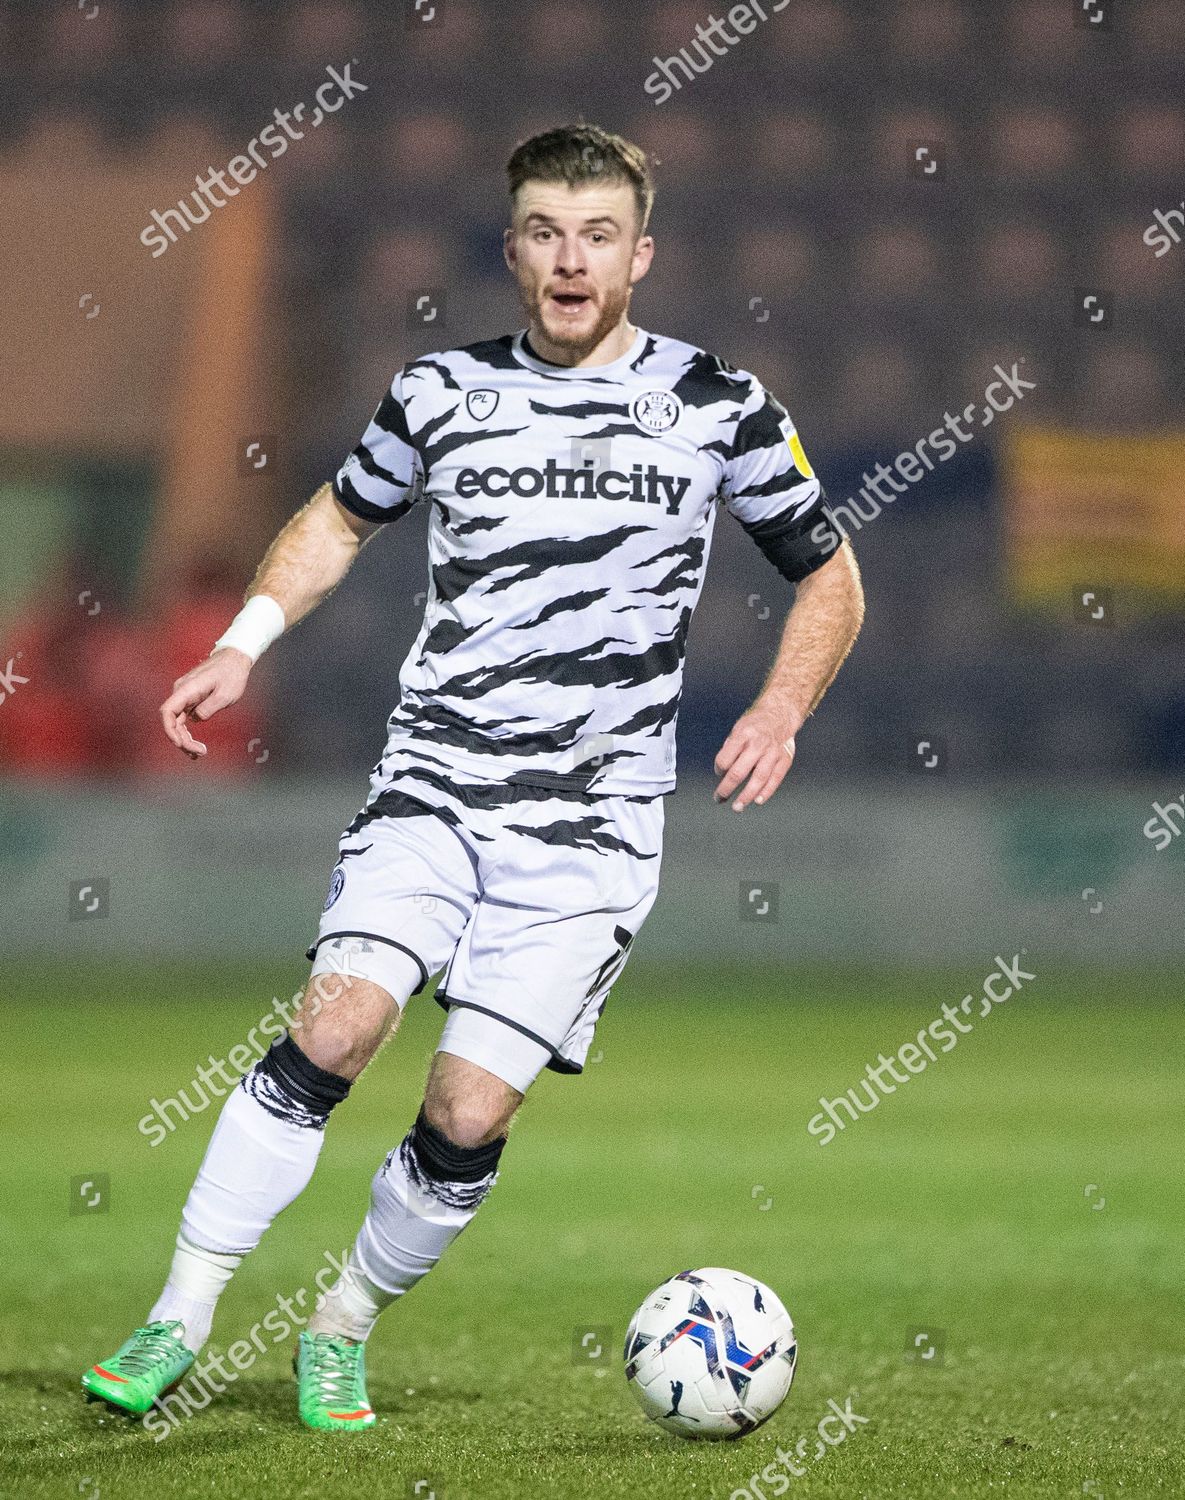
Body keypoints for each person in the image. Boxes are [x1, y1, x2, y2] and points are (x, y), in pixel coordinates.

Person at [82, 122, 864, 1432]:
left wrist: (782, 707)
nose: (571, 258)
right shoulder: (440, 392)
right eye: (546, 232)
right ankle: (180, 1315)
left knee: (466, 1109)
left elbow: (827, 576)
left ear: (639, 254)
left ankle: (338, 1325)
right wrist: (240, 642)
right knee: (336, 1024)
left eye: (597, 234)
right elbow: (338, 514)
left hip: (592, 834)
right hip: (435, 786)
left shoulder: (718, 404)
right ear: (511, 251)